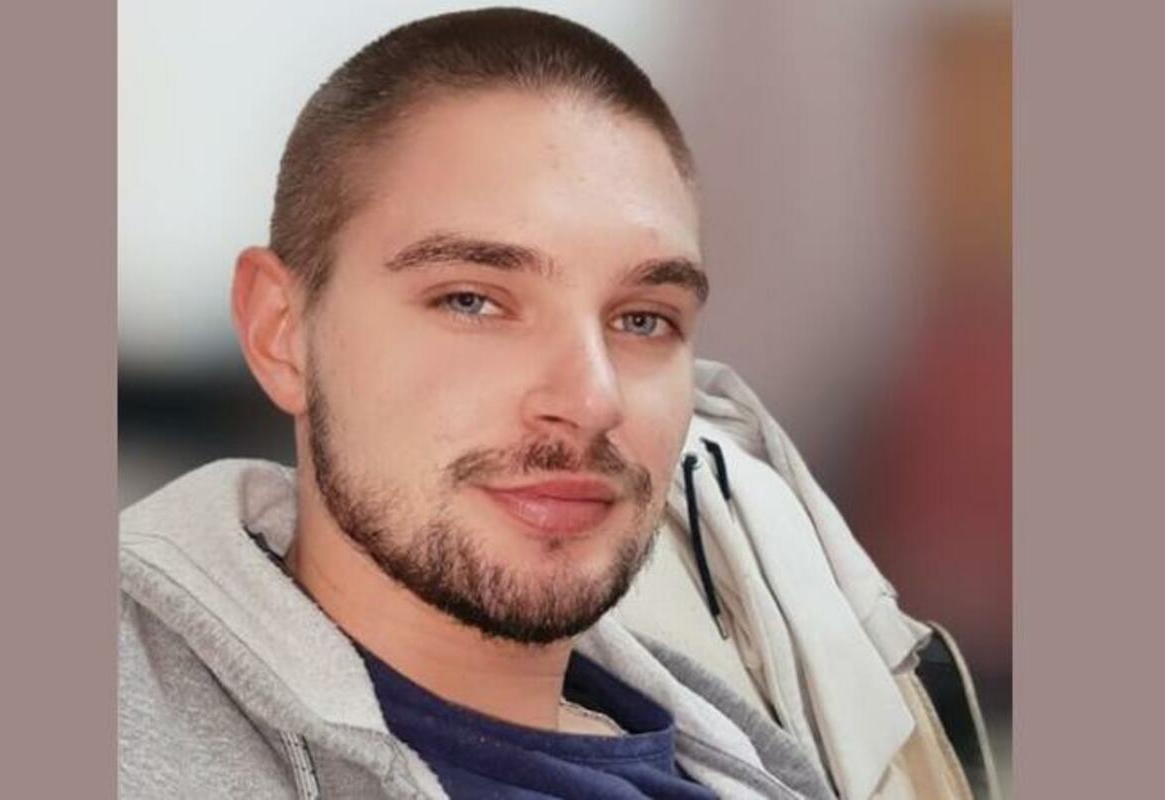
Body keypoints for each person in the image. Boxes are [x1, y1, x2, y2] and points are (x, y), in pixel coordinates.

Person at [118, 8, 837, 799]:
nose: (590, 399)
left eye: (642, 319)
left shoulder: (755, 759)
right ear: (281, 333)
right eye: (473, 301)